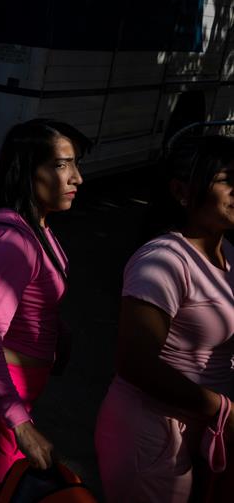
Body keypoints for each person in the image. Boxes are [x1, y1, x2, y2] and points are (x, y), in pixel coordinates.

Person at [0, 119, 89, 502]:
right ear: (28, 171)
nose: (76, 177)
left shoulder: (34, 225)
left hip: (7, 393)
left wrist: (55, 328)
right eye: (61, 165)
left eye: (75, 164)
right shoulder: (13, 240)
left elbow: (33, 297)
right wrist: (22, 425)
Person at [94, 134, 234, 502]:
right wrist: (220, 408)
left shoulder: (230, 254)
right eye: (226, 179)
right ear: (181, 191)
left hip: (199, 434)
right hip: (151, 433)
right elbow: (136, 364)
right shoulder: (163, 261)